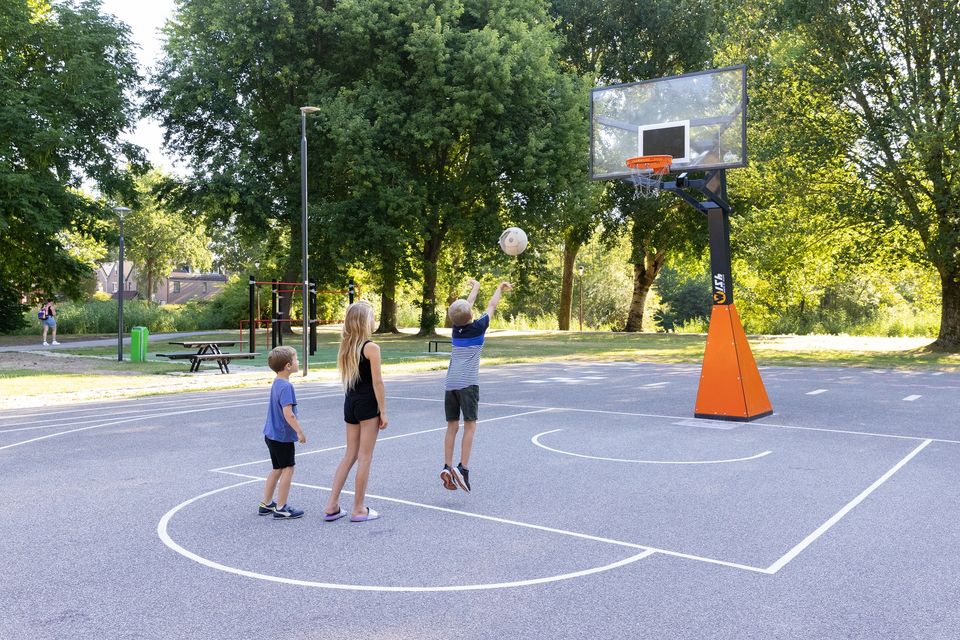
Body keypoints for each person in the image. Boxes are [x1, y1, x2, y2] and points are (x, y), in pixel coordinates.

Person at [440, 278, 511, 492]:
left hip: (450, 383)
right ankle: (463, 468)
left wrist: (476, 288)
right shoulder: (479, 327)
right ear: (471, 315)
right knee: (470, 425)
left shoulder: (455, 329)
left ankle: (447, 465)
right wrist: (499, 288)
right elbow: (492, 305)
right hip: (468, 383)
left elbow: (465, 309)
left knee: (452, 426)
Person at [324, 301, 388, 523]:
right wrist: (383, 411)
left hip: (350, 403)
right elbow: (377, 383)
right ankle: (359, 508)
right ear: (364, 322)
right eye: (371, 317)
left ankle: (331, 505)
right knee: (365, 457)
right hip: (367, 405)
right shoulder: (371, 347)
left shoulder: (346, 345)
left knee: (349, 454)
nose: (373, 320)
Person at [258, 346, 307, 519]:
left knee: (277, 468)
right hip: (282, 437)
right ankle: (281, 507)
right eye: (296, 359)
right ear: (288, 365)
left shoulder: (277, 382)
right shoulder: (287, 387)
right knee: (288, 469)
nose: (298, 361)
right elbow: (288, 413)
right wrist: (300, 432)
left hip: (270, 435)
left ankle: (266, 503)